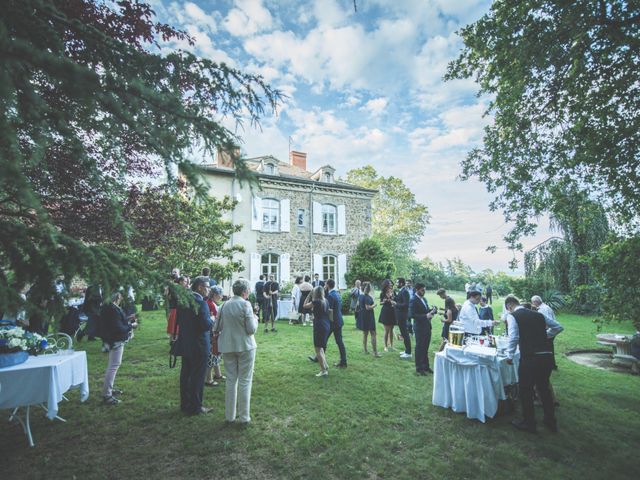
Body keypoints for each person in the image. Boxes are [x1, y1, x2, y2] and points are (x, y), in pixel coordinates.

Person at [504, 295, 563, 433]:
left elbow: (513, 337)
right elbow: (558, 327)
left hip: (530, 358)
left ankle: (529, 423)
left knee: (526, 390)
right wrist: (544, 336)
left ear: (509, 306)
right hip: (547, 356)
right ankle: (550, 421)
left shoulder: (513, 316)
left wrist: (509, 355)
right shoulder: (539, 315)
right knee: (544, 389)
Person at [215, 278, 258, 423]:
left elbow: (217, 327)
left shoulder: (224, 305)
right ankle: (244, 417)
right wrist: (256, 319)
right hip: (245, 346)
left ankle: (229, 416)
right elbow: (251, 330)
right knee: (245, 381)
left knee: (231, 381)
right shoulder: (246, 305)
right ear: (245, 292)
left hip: (227, 346)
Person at [175, 277, 213, 415]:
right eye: (207, 287)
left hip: (185, 342)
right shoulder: (201, 303)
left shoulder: (183, 300)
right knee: (197, 376)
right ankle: (196, 406)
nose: (209, 289)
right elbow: (205, 325)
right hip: (199, 345)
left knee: (185, 375)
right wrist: (212, 320)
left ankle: (185, 403)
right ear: (199, 287)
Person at [100, 291, 137, 405]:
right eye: (120, 294)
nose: (122, 296)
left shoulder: (110, 307)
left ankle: (108, 390)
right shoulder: (112, 308)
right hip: (115, 340)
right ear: (117, 296)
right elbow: (118, 328)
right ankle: (107, 394)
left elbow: (118, 322)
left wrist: (127, 319)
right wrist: (131, 325)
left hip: (113, 339)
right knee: (114, 366)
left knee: (113, 365)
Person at [304, 286, 331, 376]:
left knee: (317, 349)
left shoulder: (316, 301)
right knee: (321, 347)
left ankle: (323, 370)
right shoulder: (325, 301)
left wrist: (308, 295)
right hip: (326, 324)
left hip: (319, 325)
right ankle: (325, 365)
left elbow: (305, 305)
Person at [410, 283, 436, 375]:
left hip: (427, 326)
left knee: (425, 347)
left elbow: (425, 310)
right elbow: (412, 315)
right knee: (419, 347)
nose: (424, 292)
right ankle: (419, 368)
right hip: (419, 327)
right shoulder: (413, 300)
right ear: (417, 289)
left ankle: (426, 366)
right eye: (422, 290)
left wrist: (432, 311)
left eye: (424, 290)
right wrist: (425, 316)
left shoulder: (424, 299)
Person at [531, 295, 560, 369]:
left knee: (547, 349)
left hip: (548, 331)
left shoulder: (543, 309)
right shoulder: (544, 307)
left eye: (532, 302)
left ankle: (549, 365)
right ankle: (551, 365)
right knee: (549, 348)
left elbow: (546, 322)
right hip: (550, 330)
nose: (532, 304)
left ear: (536, 302)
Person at [205, 286, 225, 387]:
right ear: (215, 295)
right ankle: (209, 378)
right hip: (211, 333)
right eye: (220, 294)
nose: (221, 296)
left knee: (216, 354)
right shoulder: (210, 304)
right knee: (212, 356)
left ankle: (218, 374)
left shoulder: (212, 303)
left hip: (214, 333)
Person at [326, 279, 347, 368]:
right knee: (339, 341)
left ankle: (343, 361)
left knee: (324, 339)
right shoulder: (337, 293)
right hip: (338, 320)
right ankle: (343, 361)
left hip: (333, 322)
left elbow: (330, 310)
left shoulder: (330, 295)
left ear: (327, 285)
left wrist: (329, 322)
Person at [359, 282, 381, 357]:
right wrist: (374, 305)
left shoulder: (361, 296)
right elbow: (368, 307)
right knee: (373, 334)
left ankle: (365, 350)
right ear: (369, 289)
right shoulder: (367, 297)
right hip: (369, 317)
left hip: (363, 316)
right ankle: (375, 353)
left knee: (365, 334)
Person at [394, 278, 412, 359]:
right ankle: (406, 350)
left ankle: (408, 352)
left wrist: (396, 304)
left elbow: (406, 304)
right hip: (400, 315)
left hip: (403, 315)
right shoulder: (402, 291)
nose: (396, 284)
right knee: (403, 333)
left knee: (405, 334)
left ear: (401, 283)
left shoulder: (404, 291)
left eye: (397, 282)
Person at [378, 279, 396, 351]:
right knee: (387, 330)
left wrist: (393, 301)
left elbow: (396, 300)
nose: (391, 284)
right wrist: (384, 301)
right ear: (386, 285)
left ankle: (391, 345)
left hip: (392, 311)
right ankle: (385, 346)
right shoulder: (382, 293)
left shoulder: (393, 292)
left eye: (391, 283)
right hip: (386, 311)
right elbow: (380, 303)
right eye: (389, 283)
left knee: (392, 329)